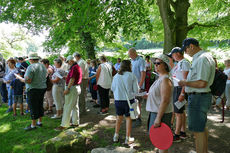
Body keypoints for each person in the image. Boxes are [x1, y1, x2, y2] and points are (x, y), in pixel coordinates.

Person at [178, 38, 215, 153]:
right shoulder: (202, 57)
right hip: (199, 96)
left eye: (185, 49)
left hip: (199, 97)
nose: (185, 52)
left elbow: (202, 83)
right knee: (201, 128)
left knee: (198, 131)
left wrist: (185, 83)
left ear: (191, 46)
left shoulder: (202, 59)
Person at [145, 54, 173, 153]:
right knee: (159, 141)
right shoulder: (160, 78)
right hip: (156, 112)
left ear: (165, 65)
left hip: (161, 114)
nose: (155, 65)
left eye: (158, 63)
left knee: (162, 142)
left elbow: (165, 100)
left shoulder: (165, 80)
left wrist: (158, 118)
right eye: (155, 63)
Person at [17, 53, 47, 131]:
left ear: (31, 60)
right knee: (40, 104)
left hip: (33, 89)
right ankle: (39, 122)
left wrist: (20, 79)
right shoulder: (42, 66)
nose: (28, 61)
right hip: (42, 88)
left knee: (33, 106)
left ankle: (33, 125)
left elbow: (28, 81)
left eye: (29, 60)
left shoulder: (31, 67)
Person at [111, 60, 139, 144]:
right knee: (128, 118)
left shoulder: (116, 76)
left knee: (119, 117)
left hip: (118, 100)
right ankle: (127, 137)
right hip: (129, 101)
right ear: (129, 66)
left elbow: (112, 88)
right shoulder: (132, 76)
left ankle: (116, 136)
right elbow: (136, 90)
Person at [168, 47, 191, 142]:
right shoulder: (179, 63)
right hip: (177, 88)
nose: (172, 57)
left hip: (180, 89)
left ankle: (176, 135)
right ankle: (182, 132)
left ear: (177, 53)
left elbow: (186, 80)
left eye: (172, 55)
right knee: (181, 112)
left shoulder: (185, 63)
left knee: (178, 113)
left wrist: (182, 93)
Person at [55, 55, 82, 131]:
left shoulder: (74, 67)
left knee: (67, 106)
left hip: (72, 88)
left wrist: (68, 88)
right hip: (76, 87)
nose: (68, 63)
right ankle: (75, 122)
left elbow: (73, 79)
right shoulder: (77, 66)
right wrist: (67, 78)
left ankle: (64, 124)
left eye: (68, 62)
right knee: (75, 106)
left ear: (71, 61)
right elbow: (72, 78)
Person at [128, 48, 146, 127]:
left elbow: (143, 73)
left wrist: (140, 85)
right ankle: (134, 116)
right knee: (132, 102)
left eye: (130, 55)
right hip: (132, 85)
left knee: (138, 102)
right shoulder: (132, 61)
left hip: (138, 85)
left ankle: (139, 118)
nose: (130, 56)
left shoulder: (141, 60)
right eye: (129, 55)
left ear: (134, 53)